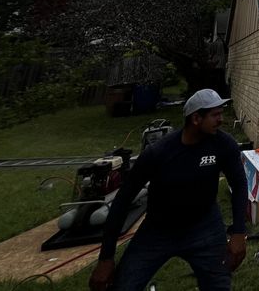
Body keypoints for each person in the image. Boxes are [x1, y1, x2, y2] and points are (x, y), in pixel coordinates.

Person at [89, 89, 248, 291]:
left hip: (205, 226)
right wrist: (105, 258)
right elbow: (122, 201)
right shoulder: (159, 153)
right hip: (158, 231)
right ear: (196, 118)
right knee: (123, 286)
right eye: (215, 115)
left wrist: (238, 233)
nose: (221, 119)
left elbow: (240, 184)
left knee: (218, 286)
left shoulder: (223, 145)